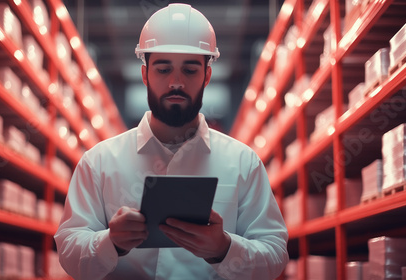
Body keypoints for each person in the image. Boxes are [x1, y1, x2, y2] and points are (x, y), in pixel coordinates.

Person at [54, 3, 288, 279]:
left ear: (207, 76)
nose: (176, 82)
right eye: (163, 69)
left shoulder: (244, 163)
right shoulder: (98, 162)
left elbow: (275, 255)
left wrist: (224, 249)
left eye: (189, 70)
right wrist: (110, 242)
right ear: (145, 75)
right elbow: (69, 253)